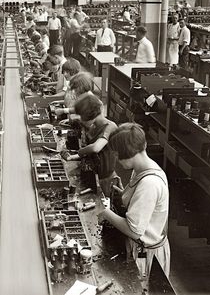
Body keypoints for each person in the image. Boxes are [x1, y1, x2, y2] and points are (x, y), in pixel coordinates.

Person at [98, 123, 170, 291]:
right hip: (139, 247)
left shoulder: (149, 183)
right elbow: (141, 205)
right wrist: (122, 193)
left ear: (128, 154)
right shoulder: (142, 168)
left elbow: (134, 230)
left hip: (146, 255)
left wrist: (107, 214)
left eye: (117, 155)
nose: (116, 160)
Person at [62, 93, 117, 196]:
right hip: (91, 174)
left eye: (82, 116)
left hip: (105, 180)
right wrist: (72, 157)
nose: (81, 119)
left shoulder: (110, 127)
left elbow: (96, 148)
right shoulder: (93, 126)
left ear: (91, 115)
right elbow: (90, 154)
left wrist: (80, 152)